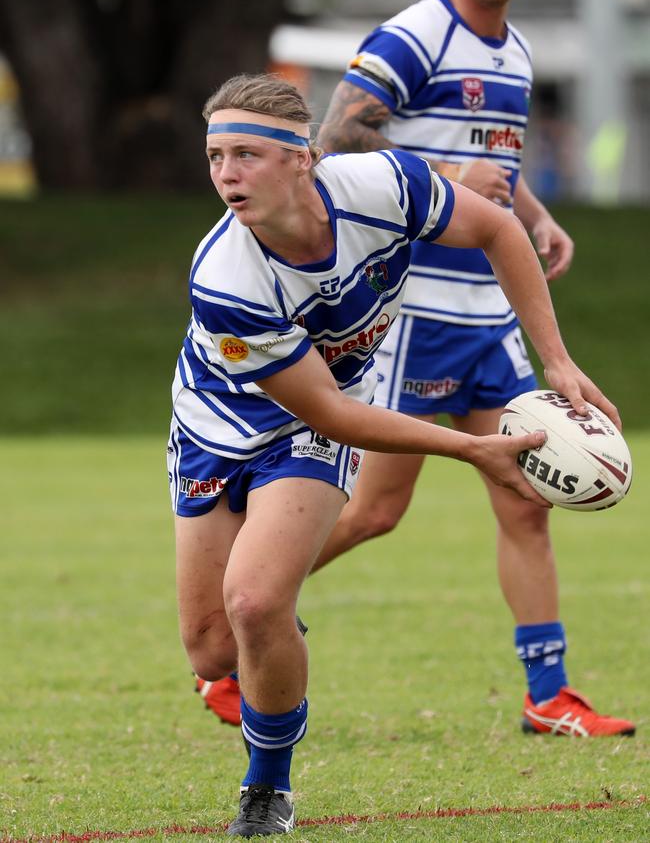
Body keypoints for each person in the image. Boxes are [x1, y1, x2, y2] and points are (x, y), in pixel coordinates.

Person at [173, 70, 623, 837]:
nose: (226, 174)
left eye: (246, 154)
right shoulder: (226, 279)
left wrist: (558, 360)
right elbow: (336, 411)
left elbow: (497, 229)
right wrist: (474, 448)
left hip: (312, 429)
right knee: (215, 644)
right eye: (216, 156)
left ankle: (266, 790)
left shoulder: (382, 184)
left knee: (254, 600)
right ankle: (268, 645)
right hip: (221, 424)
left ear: (301, 157)